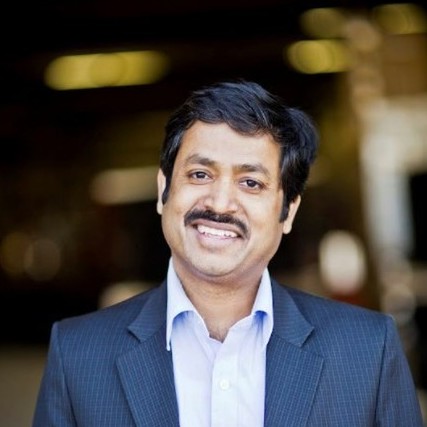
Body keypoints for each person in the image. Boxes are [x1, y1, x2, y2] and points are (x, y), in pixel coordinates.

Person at [32, 80, 424, 427]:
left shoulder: (367, 350)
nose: (220, 203)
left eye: (250, 182)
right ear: (163, 190)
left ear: (288, 211)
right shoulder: (79, 354)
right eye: (200, 174)